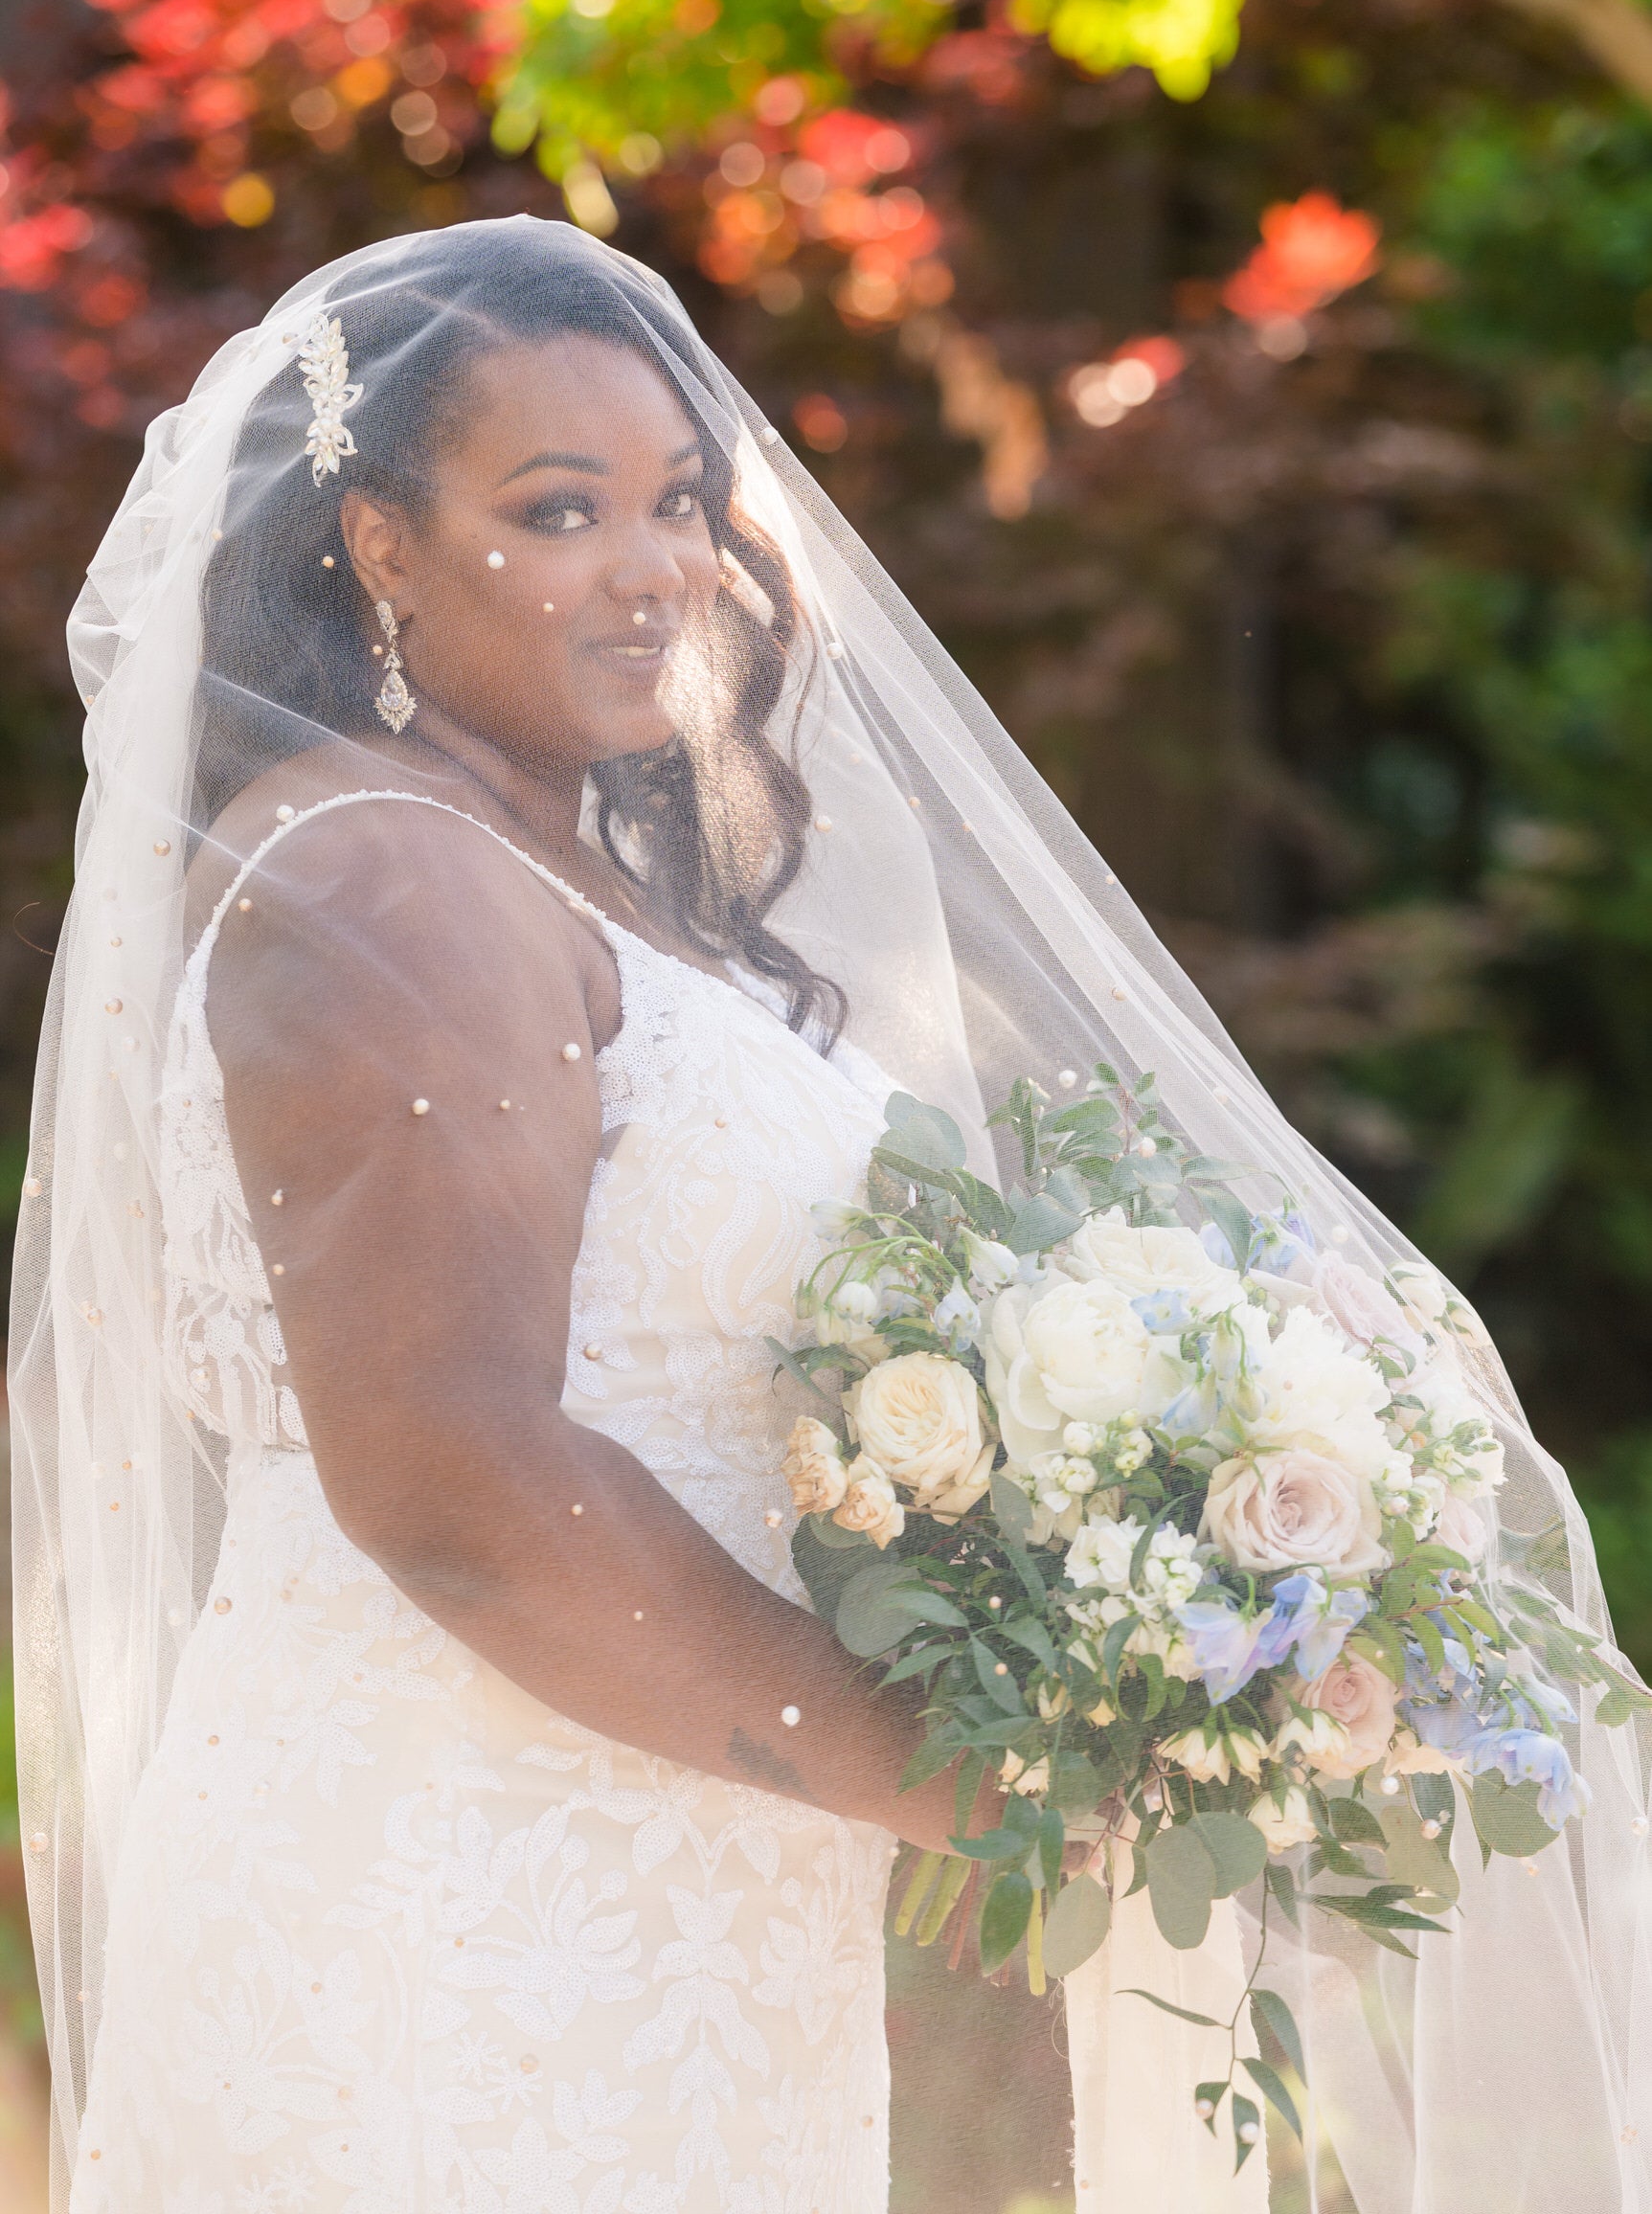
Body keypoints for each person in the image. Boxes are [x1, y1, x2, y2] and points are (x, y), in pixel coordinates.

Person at [11, 217, 1651, 2214]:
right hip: (465, 1892)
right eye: (556, 508)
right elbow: (451, 1478)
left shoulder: (547, 874)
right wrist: (969, 1777)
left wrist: (1061, 1599)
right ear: (375, 541)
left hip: (674, 1868)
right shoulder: (390, 884)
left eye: (677, 503)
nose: (653, 568)